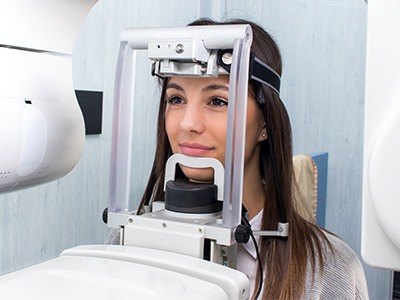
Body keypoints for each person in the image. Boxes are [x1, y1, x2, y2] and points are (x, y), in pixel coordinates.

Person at [108, 18, 369, 299]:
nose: (188, 124)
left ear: (266, 124)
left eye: (218, 101)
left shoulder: (329, 269)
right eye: (176, 99)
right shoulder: (127, 239)